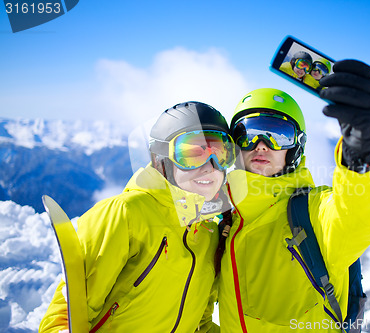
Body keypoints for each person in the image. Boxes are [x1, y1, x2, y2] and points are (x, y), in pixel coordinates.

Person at [216, 60, 370, 332]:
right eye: (248, 134)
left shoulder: (310, 213)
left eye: (278, 135)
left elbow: (360, 218)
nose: (261, 145)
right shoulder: (224, 221)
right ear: (234, 145)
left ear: (296, 148)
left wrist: (364, 152)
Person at [39, 102, 235, 332]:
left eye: (220, 154)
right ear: (162, 160)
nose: (209, 166)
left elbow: (199, 324)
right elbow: (65, 317)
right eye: (192, 154)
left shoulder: (209, 235)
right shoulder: (125, 213)